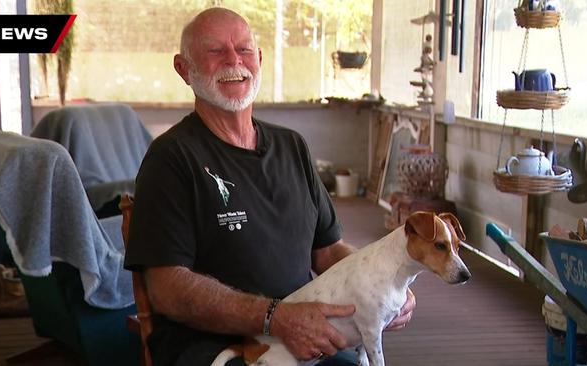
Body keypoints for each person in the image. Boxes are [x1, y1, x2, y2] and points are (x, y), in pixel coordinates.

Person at [124, 7, 415, 366]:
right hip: (215, 347)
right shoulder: (171, 159)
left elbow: (327, 252)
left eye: (244, 50)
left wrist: (386, 282)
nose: (234, 60)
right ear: (184, 68)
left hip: (304, 338)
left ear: (259, 60)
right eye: (215, 51)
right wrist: (275, 317)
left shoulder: (291, 146)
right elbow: (168, 289)